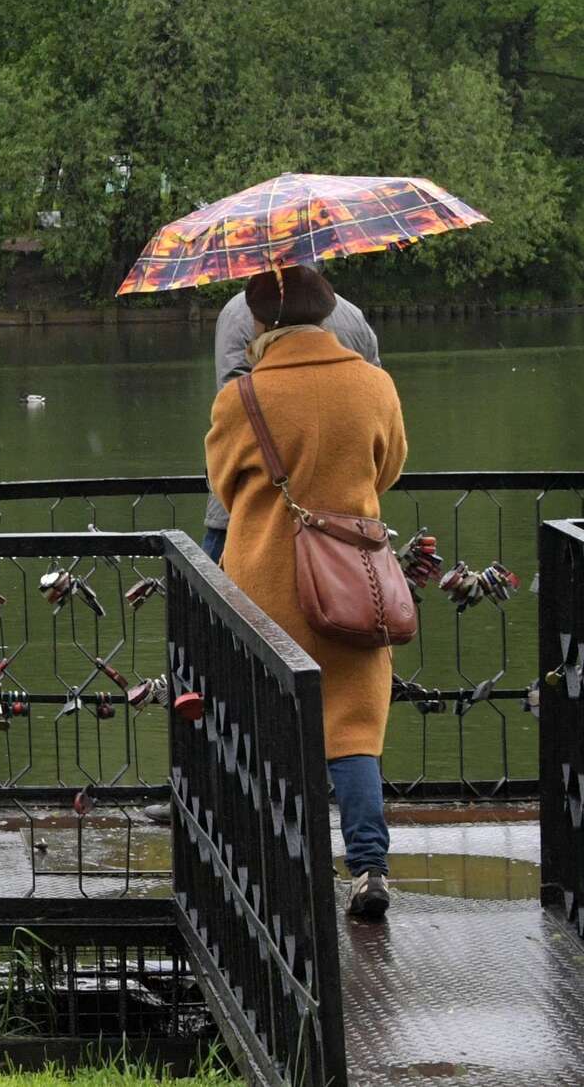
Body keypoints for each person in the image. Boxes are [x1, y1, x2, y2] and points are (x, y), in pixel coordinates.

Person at [205, 265, 407, 920]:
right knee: (353, 730)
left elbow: (225, 484)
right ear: (325, 315)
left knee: (268, 725)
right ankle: (369, 866)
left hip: (265, 585)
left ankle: (280, 871)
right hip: (353, 581)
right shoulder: (374, 385)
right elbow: (389, 467)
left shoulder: (242, 397)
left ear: (259, 323)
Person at [201, 271, 380, 563]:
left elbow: (229, 453)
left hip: (256, 528)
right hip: (348, 528)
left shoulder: (240, 311)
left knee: (218, 591)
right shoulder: (351, 315)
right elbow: (381, 457)